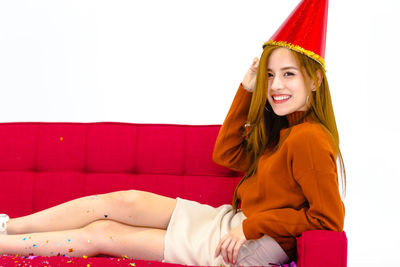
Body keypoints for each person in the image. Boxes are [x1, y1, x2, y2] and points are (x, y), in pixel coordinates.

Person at [0, 0, 345, 266]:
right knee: (123, 200)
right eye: (270, 75)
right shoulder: (284, 131)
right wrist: (245, 89)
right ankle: (9, 226)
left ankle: (4, 241)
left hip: (233, 239)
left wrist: (249, 229)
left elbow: (327, 219)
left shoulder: (310, 138)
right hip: (228, 222)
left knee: (102, 235)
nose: (275, 86)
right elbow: (225, 154)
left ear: (314, 80)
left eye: (289, 75)